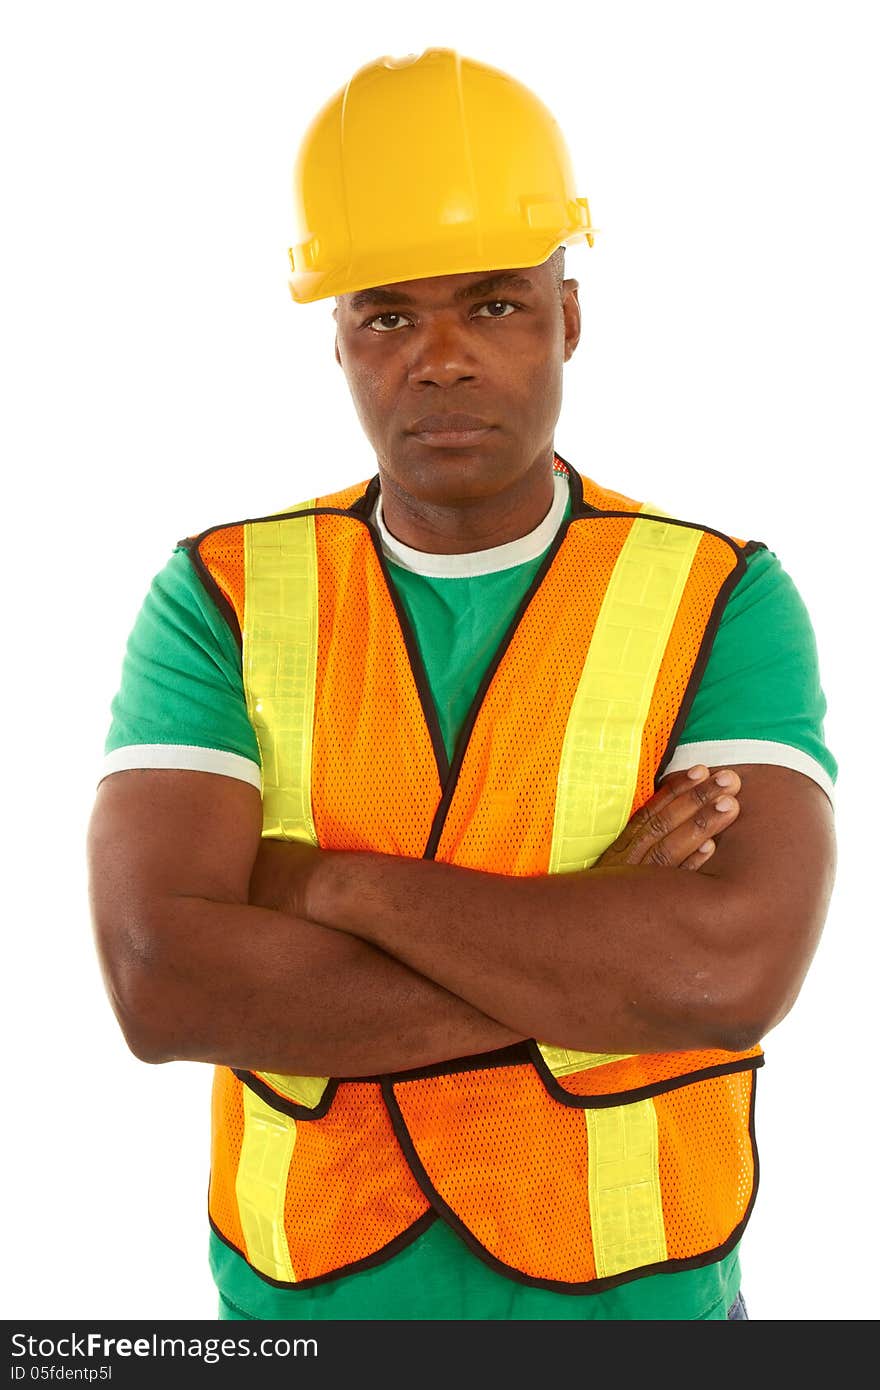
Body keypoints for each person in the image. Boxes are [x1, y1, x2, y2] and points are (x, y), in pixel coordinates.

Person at [87, 48, 837, 1322]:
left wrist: (323, 884)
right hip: (303, 1317)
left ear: (570, 318)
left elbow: (725, 974)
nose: (439, 358)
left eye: (494, 304)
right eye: (388, 314)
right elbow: (165, 983)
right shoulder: (216, 591)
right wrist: (599, 944)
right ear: (337, 338)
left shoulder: (722, 594)